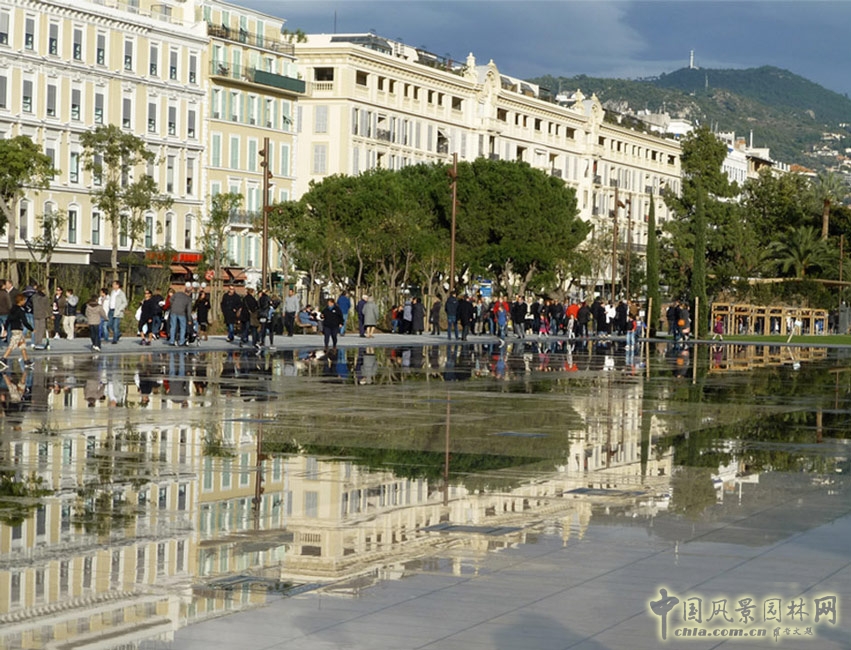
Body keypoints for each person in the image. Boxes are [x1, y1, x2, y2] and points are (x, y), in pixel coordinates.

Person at [0, 294, 33, 369]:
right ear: (20, 301)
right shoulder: (20, 310)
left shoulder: (12, 309)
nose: (25, 301)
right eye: (24, 300)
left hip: (13, 328)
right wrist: (31, 329)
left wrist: (5, 327)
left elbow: (8, 319)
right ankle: (3, 358)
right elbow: (24, 321)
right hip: (18, 329)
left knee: (22, 345)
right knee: (12, 345)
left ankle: (26, 360)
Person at [32, 284, 51, 350]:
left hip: (35, 314)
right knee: (41, 329)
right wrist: (50, 315)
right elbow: (47, 307)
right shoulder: (45, 297)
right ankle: (39, 342)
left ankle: (36, 342)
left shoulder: (34, 297)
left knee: (36, 329)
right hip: (42, 314)